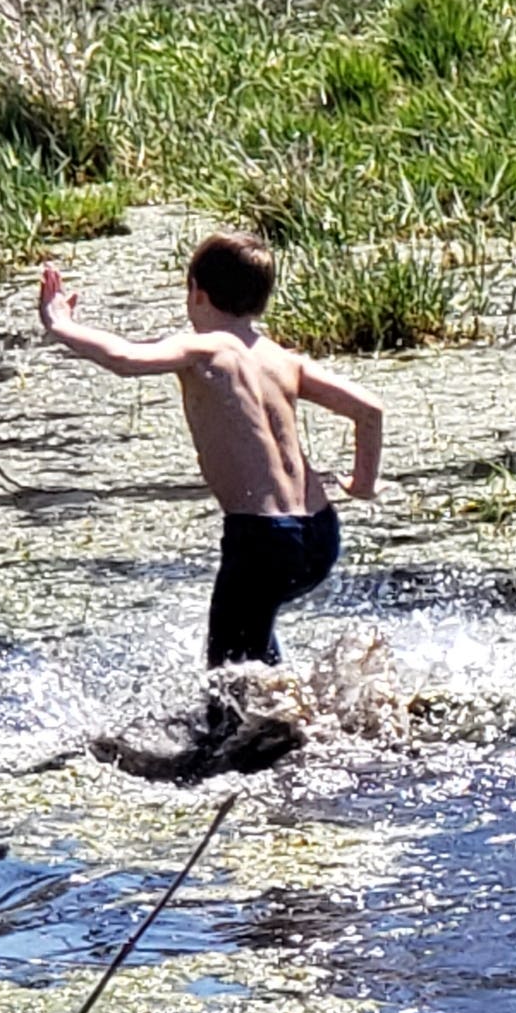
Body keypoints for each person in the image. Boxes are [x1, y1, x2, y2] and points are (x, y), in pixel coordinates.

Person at [36, 231, 384, 686]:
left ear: (196, 292)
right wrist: (362, 484)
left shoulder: (203, 348)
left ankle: (272, 740)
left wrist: (61, 324)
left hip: (261, 539)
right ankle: (307, 717)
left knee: (229, 680)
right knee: (251, 652)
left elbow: (123, 358)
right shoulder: (281, 359)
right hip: (319, 534)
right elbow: (369, 410)